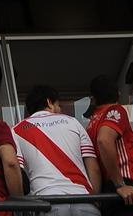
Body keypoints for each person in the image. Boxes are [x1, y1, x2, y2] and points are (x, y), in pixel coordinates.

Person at [12, 85, 100, 216]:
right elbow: (93, 168)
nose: (59, 109)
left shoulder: (16, 130)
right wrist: (95, 199)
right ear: (49, 102)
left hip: (45, 203)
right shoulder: (73, 122)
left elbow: (16, 172)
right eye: (59, 105)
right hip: (83, 199)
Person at [85, 75, 133, 216]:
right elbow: (104, 140)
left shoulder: (91, 123)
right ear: (118, 94)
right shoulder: (116, 110)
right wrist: (120, 185)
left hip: (110, 191)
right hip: (126, 190)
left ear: (93, 99)